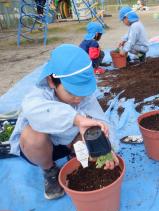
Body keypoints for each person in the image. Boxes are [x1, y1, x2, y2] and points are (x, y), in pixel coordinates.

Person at [9, 44, 119, 200]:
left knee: (93, 129)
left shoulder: (83, 96)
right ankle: (50, 170)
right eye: (71, 92)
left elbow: (101, 121)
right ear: (52, 81)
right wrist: (77, 119)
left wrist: (107, 147)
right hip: (42, 148)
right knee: (33, 136)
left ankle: (76, 154)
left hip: (67, 143)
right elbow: (32, 110)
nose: (78, 98)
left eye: (82, 92)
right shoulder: (39, 94)